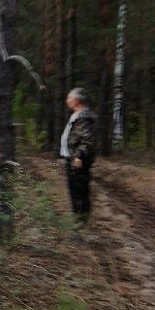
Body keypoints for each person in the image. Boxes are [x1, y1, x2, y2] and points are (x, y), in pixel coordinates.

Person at [60, 87, 97, 222]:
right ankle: (77, 220)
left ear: (77, 100)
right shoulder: (76, 115)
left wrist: (78, 156)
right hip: (72, 159)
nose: (67, 100)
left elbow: (86, 140)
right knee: (74, 191)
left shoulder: (84, 117)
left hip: (78, 160)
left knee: (80, 191)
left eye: (70, 98)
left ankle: (80, 223)